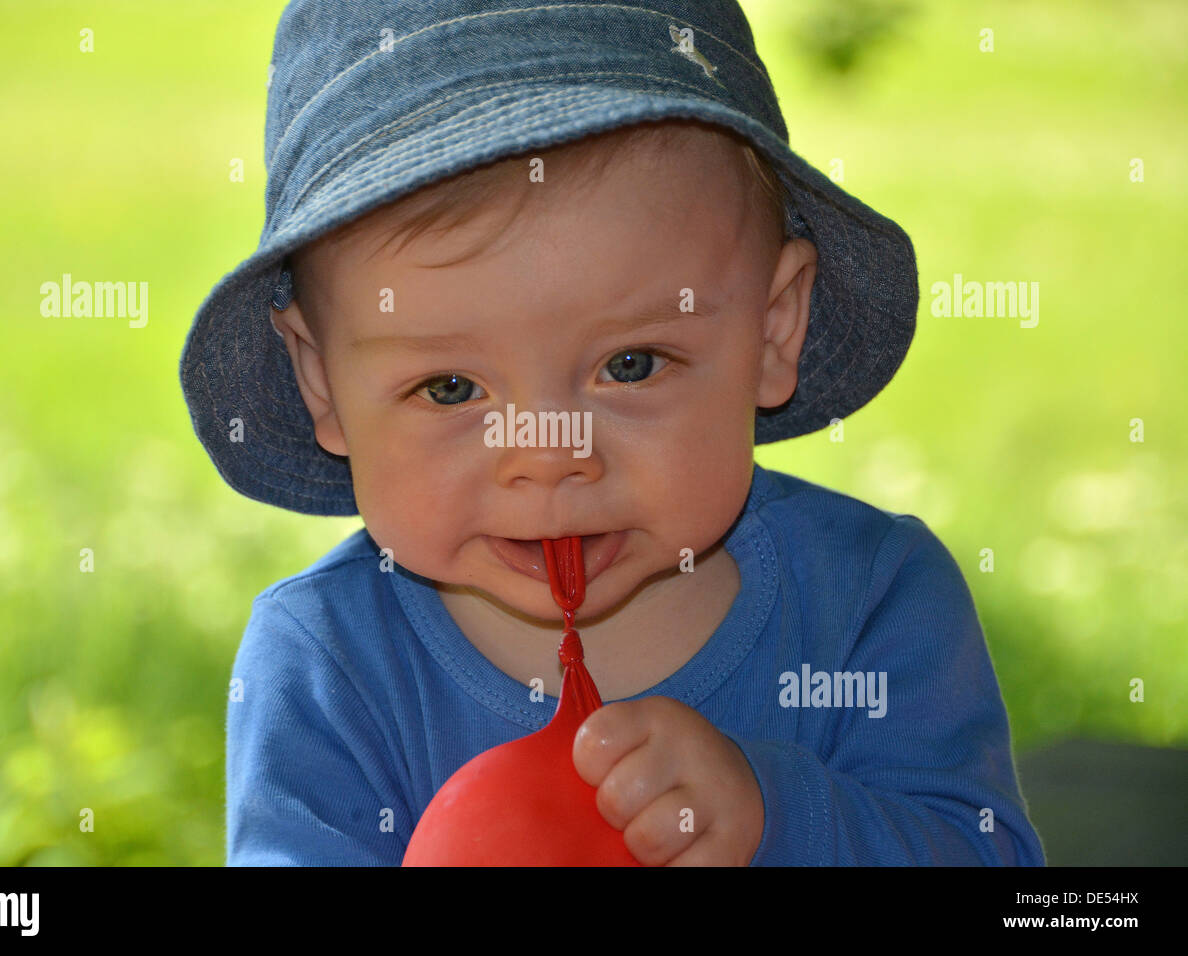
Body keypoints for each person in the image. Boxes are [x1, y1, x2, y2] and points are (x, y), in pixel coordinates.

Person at [180, 0, 1046, 866]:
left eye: (631, 365)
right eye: (450, 387)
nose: (550, 455)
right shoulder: (332, 665)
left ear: (773, 327)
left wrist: (776, 819)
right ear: (321, 382)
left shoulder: (870, 605)